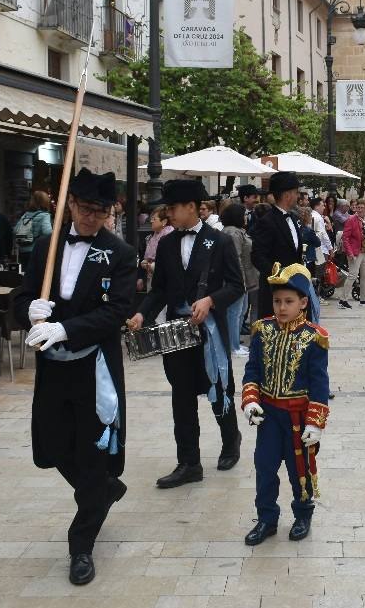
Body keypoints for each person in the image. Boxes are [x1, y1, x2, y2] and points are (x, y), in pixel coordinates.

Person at [13, 168, 135, 586]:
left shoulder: (119, 253)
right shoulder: (47, 245)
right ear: (69, 205)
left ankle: (81, 545)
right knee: (52, 445)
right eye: (85, 209)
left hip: (93, 367)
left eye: (100, 212)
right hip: (53, 368)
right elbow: (22, 294)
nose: (90, 218)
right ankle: (102, 489)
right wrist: (28, 310)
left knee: (92, 450)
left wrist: (65, 328)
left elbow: (116, 309)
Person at [129, 179, 245, 485]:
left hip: (209, 333)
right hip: (176, 333)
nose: (168, 213)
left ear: (191, 207)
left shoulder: (218, 241)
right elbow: (161, 290)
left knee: (218, 388)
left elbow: (236, 286)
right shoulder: (166, 243)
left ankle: (231, 440)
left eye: (172, 207)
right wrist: (142, 313)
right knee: (181, 397)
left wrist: (210, 300)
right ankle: (189, 462)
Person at [240, 263, 329, 546]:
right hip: (269, 417)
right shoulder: (262, 331)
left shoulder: (314, 337)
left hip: (298, 419)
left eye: (288, 301)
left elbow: (319, 383)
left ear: (303, 302)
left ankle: (303, 514)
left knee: (298, 469)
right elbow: (252, 370)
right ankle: (266, 518)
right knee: (264, 467)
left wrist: (315, 422)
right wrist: (251, 402)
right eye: (277, 301)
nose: (281, 307)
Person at [251, 172, 305, 320]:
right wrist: (279, 277)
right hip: (274, 293)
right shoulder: (267, 221)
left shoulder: (292, 218)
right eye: (296, 193)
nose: (298, 196)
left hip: (294, 291)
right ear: (287, 195)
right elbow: (257, 256)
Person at [221, 203, 258, 356]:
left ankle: (234, 344)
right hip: (237, 280)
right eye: (243, 214)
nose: (245, 217)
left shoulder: (237, 231)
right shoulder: (233, 233)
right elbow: (234, 259)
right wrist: (239, 281)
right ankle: (232, 346)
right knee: (234, 313)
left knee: (240, 312)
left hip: (243, 279)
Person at [341, 199, 365, 309]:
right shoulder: (351, 219)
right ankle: (343, 300)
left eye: (361, 208)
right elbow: (345, 238)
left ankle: (364, 299)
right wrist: (350, 253)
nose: (359, 210)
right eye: (357, 207)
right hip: (355, 252)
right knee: (353, 275)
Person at [15, 191, 54, 270]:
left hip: (22, 251)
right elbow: (48, 232)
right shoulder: (45, 215)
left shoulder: (25, 215)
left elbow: (15, 230)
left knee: (25, 275)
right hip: (36, 251)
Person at [139, 207, 173, 292]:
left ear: (164, 222)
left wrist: (152, 265)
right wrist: (145, 262)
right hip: (152, 278)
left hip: (165, 282)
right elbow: (148, 257)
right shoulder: (153, 236)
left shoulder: (169, 236)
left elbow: (169, 261)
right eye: (151, 219)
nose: (151, 221)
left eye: (154, 219)